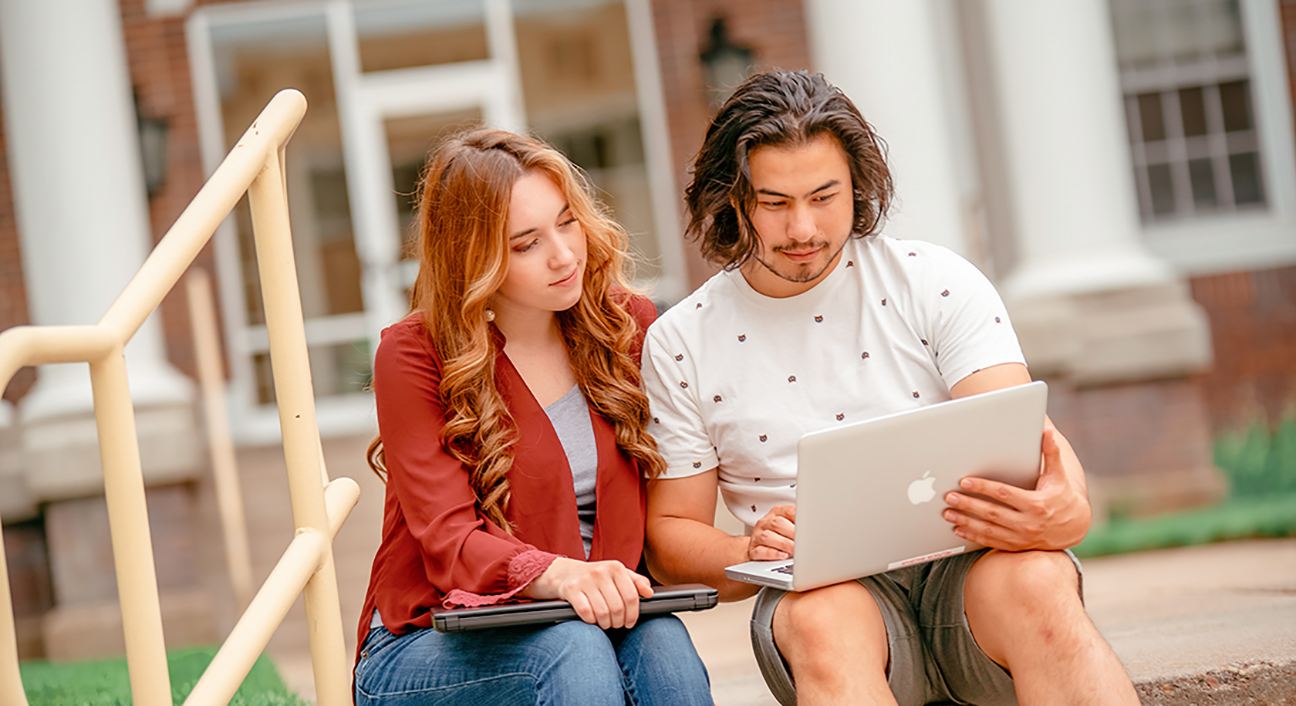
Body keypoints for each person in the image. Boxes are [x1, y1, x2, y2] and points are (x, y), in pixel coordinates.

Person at [640, 70, 1139, 706]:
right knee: (824, 621)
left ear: (858, 185)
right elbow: (671, 536)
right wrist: (745, 547)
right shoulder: (683, 340)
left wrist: (1063, 507)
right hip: (821, 594)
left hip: (975, 573)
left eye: (824, 197)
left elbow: (1025, 444)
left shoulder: (934, 282)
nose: (802, 230)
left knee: (1040, 582)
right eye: (775, 202)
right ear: (733, 199)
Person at [353, 128, 712, 706]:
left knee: (663, 647)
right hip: (428, 642)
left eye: (566, 222)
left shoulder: (624, 327)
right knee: (572, 649)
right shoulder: (417, 355)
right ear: (473, 257)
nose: (564, 254)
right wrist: (565, 576)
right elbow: (449, 541)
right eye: (526, 244)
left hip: (597, 620)